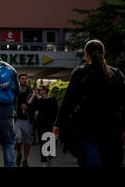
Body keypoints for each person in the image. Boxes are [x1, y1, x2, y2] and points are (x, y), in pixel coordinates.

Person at [53, 39, 125, 168]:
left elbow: (68, 101)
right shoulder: (116, 74)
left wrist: (58, 123)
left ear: (86, 54)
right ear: (103, 54)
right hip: (111, 129)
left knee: (91, 161)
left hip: (86, 128)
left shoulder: (79, 73)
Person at [28, 85, 59, 166]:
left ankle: (49, 157)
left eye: (40, 90)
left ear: (45, 90)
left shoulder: (53, 100)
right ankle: (44, 159)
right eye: (38, 90)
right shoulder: (38, 100)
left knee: (51, 141)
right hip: (41, 124)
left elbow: (57, 112)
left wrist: (56, 124)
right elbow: (29, 103)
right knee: (42, 141)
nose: (38, 91)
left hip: (51, 123)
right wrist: (34, 95)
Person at [14, 73, 33, 167]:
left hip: (28, 119)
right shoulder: (15, 90)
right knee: (18, 137)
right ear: (19, 80)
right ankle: (19, 153)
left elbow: (35, 103)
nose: (24, 80)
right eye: (22, 79)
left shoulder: (31, 91)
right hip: (17, 119)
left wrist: (28, 107)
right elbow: (10, 101)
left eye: (25, 79)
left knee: (27, 141)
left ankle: (25, 159)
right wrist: (12, 111)